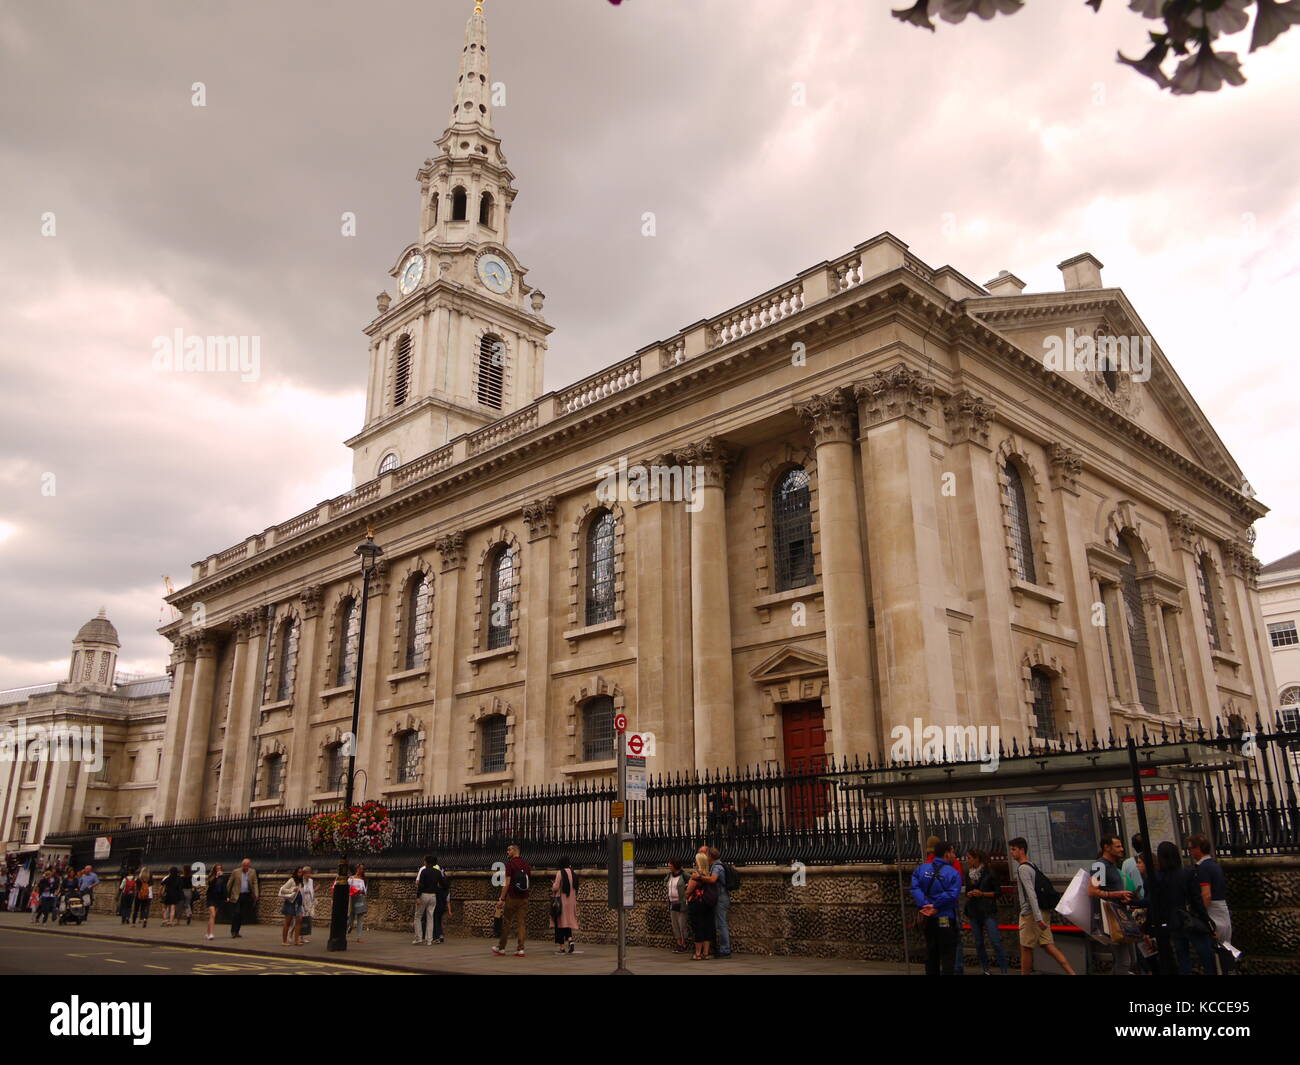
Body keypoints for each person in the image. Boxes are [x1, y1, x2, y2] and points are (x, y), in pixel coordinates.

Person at [1009, 837, 1076, 975]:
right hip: (1043, 912)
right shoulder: (1032, 865)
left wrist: (1037, 918)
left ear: (1022, 850)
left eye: (1014, 849)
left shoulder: (1022, 869)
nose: (1011, 852)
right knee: (1048, 945)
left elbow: (1031, 894)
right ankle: (1071, 972)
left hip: (1031, 915)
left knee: (1026, 948)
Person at [910, 840, 962, 975]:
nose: (954, 855)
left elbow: (915, 887)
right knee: (947, 954)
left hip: (928, 917)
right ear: (946, 854)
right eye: (952, 852)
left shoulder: (921, 869)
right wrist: (936, 905)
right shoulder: (953, 873)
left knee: (931, 952)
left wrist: (924, 904)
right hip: (944, 917)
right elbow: (953, 894)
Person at [1088, 835, 1136, 975]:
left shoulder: (1112, 865)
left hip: (1120, 915)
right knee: (1124, 961)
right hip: (1111, 918)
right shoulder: (1100, 866)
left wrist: (1123, 897)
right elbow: (1093, 891)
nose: (1122, 849)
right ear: (1106, 847)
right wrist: (1116, 894)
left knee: (1129, 960)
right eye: (1118, 846)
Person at [1189, 834, 1233, 974]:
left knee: (1216, 947)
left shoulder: (1203, 868)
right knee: (1226, 945)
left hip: (1213, 911)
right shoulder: (1214, 865)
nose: (1189, 852)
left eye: (1191, 848)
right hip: (1222, 908)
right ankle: (1230, 969)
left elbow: (1206, 894)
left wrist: (1205, 918)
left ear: (1198, 849)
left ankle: (1224, 970)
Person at [964, 848, 1007, 975]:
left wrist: (982, 893)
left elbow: (998, 893)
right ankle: (985, 969)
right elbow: (966, 891)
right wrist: (970, 893)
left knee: (996, 941)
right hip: (974, 910)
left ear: (977, 858)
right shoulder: (968, 874)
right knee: (978, 943)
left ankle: (1004, 970)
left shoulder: (989, 873)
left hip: (987, 910)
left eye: (969, 858)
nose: (967, 861)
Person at [492, 844, 530, 957]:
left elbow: (507, 884)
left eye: (509, 849)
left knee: (507, 922)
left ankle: (501, 948)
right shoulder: (526, 865)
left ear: (514, 851)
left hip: (512, 897)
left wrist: (501, 899)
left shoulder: (510, 864)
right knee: (521, 923)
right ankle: (521, 949)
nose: (507, 851)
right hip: (524, 897)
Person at [686, 852, 717, 960]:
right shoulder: (709, 875)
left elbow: (688, 891)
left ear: (698, 862)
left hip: (697, 903)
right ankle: (705, 953)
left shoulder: (696, 875)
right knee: (707, 926)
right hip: (708, 903)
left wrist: (686, 894)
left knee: (698, 927)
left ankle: (697, 953)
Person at [550, 855, 579, 954]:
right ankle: (570, 940)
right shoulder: (573, 873)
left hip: (561, 902)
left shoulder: (560, 873)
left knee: (559, 924)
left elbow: (556, 887)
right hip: (571, 903)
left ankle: (562, 947)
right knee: (567, 923)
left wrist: (553, 884)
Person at [706, 846, 732, 957]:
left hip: (721, 898)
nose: (706, 857)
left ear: (711, 856)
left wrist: (701, 877)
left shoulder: (717, 867)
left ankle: (725, 950)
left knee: (722, 924)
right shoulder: (717, 865)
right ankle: (722, 948)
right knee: (720, 923)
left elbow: (713, 879)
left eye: (707, 855)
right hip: (721, 897)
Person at [414, 855, 444, 945]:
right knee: (430, 917)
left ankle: (419, 938)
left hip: (424, 894)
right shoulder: (438, 872)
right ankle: (429, 939)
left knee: (418, 916)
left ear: (427, 862)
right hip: (433, 896)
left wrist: (418, 896)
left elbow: (421, 885)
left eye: (425, 861)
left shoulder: (424, 871)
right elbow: (443, 883)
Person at [226, 858, 258, 938]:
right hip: (236, 895)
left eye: (247, 865)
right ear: (242, 865)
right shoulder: (236, 872)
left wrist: (256, 894)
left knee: (242, 914)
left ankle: (237, 931)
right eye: (244, 865)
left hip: (246, 895)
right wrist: (227, 895)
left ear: (249, 865)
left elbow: (255, 883)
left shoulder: (252, 872)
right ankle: (233, 931)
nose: (245, 867)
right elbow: (229, 884)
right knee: (236, 913)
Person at [666, 858, 690, 953]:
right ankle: (679, 943)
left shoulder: (684, 875)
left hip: (682, 903)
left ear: (675, 865)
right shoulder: (670, 875)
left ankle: (684, 944)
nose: (669, 866)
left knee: (682, 924)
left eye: (671, 864)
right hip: (672, 902)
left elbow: (691, 883)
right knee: (675, 924)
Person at [278, 868, 304, 946]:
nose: (300, 874)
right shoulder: (291, 880)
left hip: (298, 904)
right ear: (296, 873)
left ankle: (296, 941)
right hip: (290, 903)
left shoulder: (301, 882)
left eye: (302, 873)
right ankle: (284, 941)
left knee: (299, 921)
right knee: (288, 922)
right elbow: (282, 889)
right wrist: (292, 890)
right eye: (299, 872)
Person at [1121, 834, 1146, 903]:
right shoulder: (1154, 859)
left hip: (1136, 902)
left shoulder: (1126, 863)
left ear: (1133, 846)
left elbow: (1124, 885)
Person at [204, 863, 226, 940]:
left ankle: (207, 932)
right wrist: (216, 877)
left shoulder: (223, 878)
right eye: (217, 869)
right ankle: (211, 934)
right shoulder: (211, 877)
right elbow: (211, 885)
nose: (219, 870)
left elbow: (224, 888)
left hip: (218, 898)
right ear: (214, 870)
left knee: (212, 916)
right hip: (211, 898)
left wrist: (226, 897)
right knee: (213, 914)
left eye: (220, 868)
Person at [348, 864, 369, 942]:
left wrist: (363, 892)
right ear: (357, 869)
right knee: (351, 916)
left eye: (362, 869)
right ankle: (349, 927)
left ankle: (359, 937)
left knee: (360, 918)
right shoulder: (351, 878)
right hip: (353, 898)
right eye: (360, 869)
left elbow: (365, 890)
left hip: (360, 898)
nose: (361, 870)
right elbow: (349, 889)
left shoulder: (363, 879)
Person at [299, 867, 315, 943]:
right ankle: (293, 935)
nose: (309, 875)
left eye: (310, 873)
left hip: (309, 901)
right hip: (302, 901)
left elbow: (311, 891)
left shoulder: (311, 881)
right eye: (307, 873)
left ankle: (302, 937)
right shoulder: (300, 881)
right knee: (300, 919)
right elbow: (302, 891)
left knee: (306, 920)